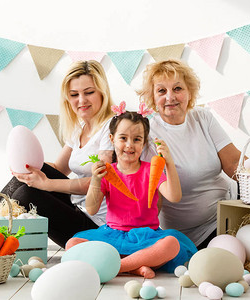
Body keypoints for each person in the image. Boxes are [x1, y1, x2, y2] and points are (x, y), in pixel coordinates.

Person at [0, 60, 115, 248]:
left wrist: (45, 184)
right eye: (74, 94)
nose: (81, 100)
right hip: (78, 209)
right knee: (29, 175)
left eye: (89, 92)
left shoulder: (113, 127)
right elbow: (57, 168)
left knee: (27, 194)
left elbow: (98, 182)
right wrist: (24, 166)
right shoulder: (80, 128)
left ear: (102, 92)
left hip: (98, 227)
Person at [65, 106, 198, 279]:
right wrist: (96, 180)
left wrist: (169, 163)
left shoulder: (153, 170)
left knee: (171, 244)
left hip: (147, 237)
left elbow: (174, 196)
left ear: (143, 143)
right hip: (112, 235)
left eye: (136, 139)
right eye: (123, 138)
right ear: (112, 139)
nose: (129, 145)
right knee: (72, 243)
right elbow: (91, 209)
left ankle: (117, 267)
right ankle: (135, 267)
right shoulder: (106, 173)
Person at [137, 59, 242, 250]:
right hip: (191, 234)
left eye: (177, 88)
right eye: (161, 91)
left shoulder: (203, 117)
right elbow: (152, 196)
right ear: (152, 97)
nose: (170, 97)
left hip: (230, 208)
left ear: (189, 92)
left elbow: (233, 162)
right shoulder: (147, 134)